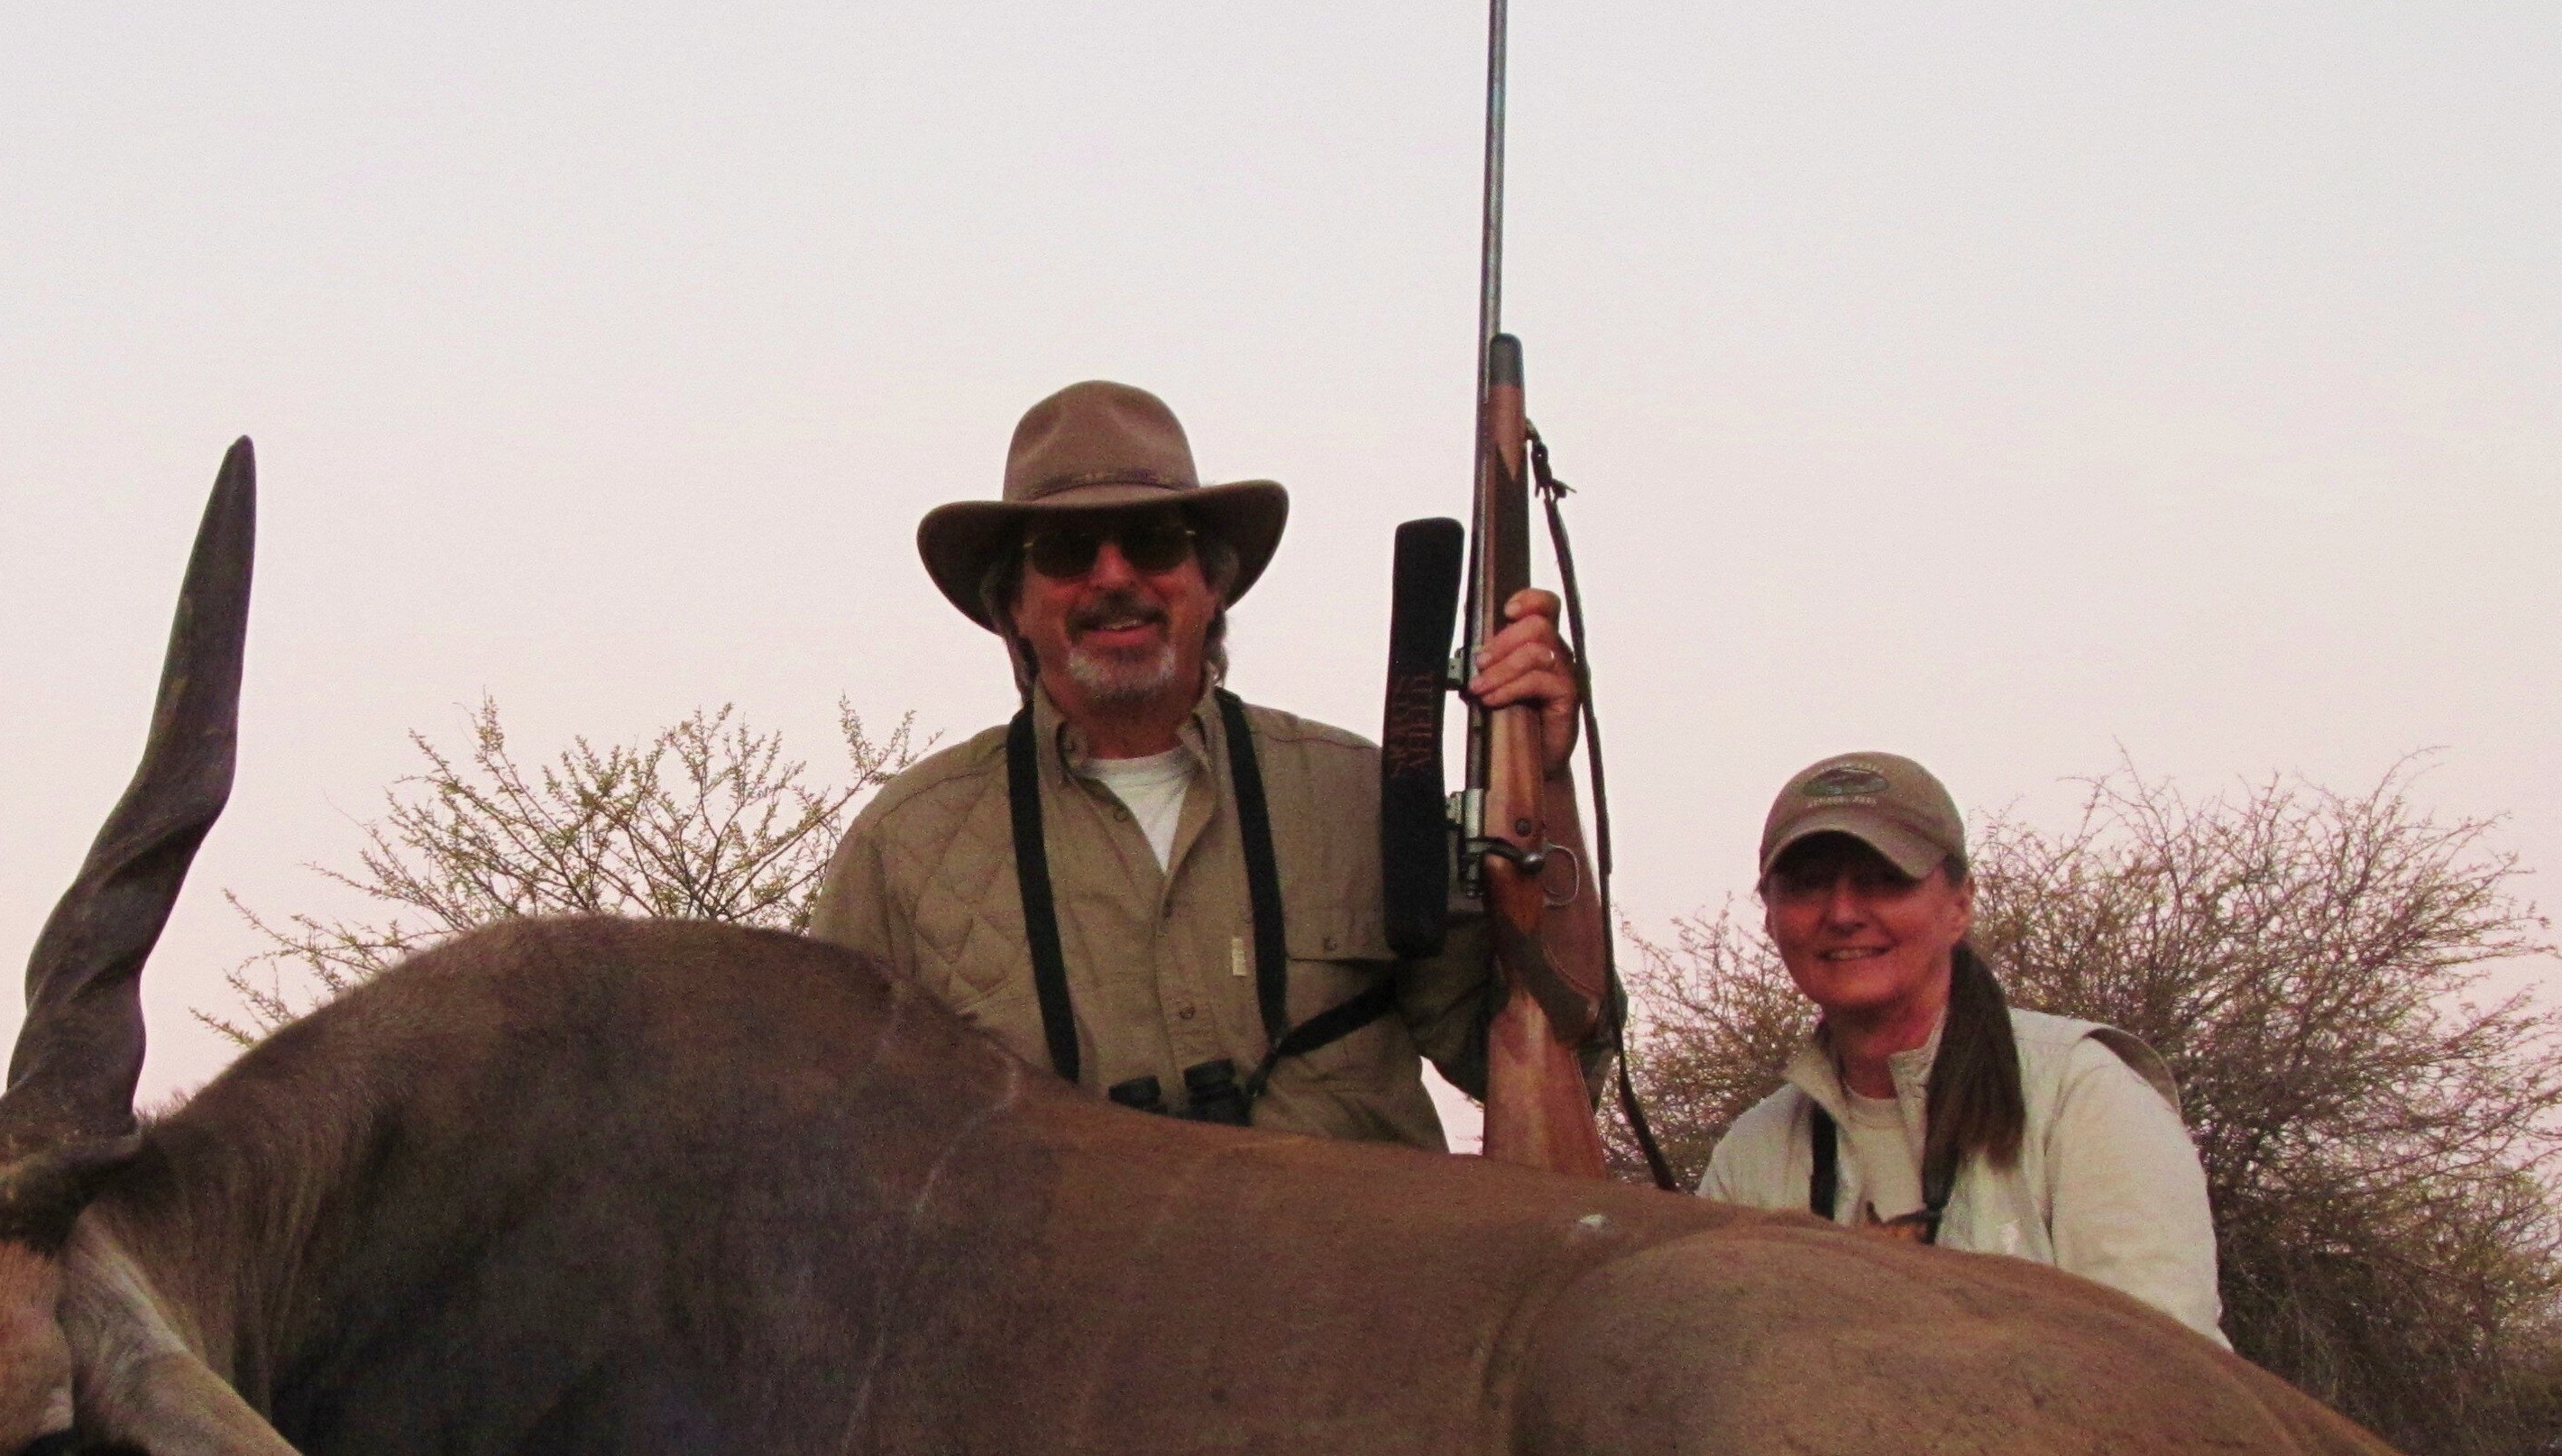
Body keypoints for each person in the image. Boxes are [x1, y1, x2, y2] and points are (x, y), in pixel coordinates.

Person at [808, 380, 1602, 1145]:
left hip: (1368, 1280)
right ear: (1011, 602)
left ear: (1212, 584)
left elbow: (1564, 1057)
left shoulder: (1364, 793)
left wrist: (1546, 780)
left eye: (1154, 542)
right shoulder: (902, 849)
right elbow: (835, 1131)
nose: (1114, 577)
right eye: (1065, 550)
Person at [1698, 752, 2227, 1339]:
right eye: (1806, 885)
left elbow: (2164, 1381)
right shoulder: (1750, 1156)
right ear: (1769, 918)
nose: (1842, 912)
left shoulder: (2082, 1096)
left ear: (1959, 904)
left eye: (1884, 879)